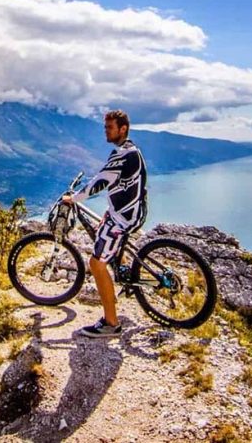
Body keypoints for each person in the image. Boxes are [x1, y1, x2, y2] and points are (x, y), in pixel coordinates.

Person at [62, 109, 147, 338]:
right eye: (105, 127)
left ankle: (111, 323)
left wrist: (74, 198)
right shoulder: (130, 150)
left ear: (123, 129)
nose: (106, 131)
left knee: (96, 263)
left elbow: (100, 182)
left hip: (124, 217)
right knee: (103, 226)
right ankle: (124, 270)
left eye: (110, 127)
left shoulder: (123, 155)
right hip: (130, 211)